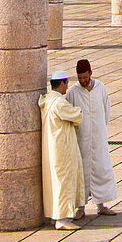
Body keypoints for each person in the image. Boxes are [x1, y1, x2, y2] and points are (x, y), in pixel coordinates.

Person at [66, 59, 118, 217]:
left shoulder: (100, 88)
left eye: (85, 77)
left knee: (100, 168)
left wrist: (100, 129)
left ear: (90, 73)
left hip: (98, 138)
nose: (83, 81)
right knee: (82, 172)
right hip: (81, 140)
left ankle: (101, 205)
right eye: (80, 78)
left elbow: (106, 110)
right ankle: (80, 207)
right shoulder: (73, 92)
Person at [39, 70, 86, 230]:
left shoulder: (48, 99)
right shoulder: (59, 103)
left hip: (53, 147)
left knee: (55, 182)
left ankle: (56, 215)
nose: (67, 86)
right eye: (66, 83)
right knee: (63, 182)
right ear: (61, 84)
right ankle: (62, 219)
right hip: (62, 148)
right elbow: (77, 115)